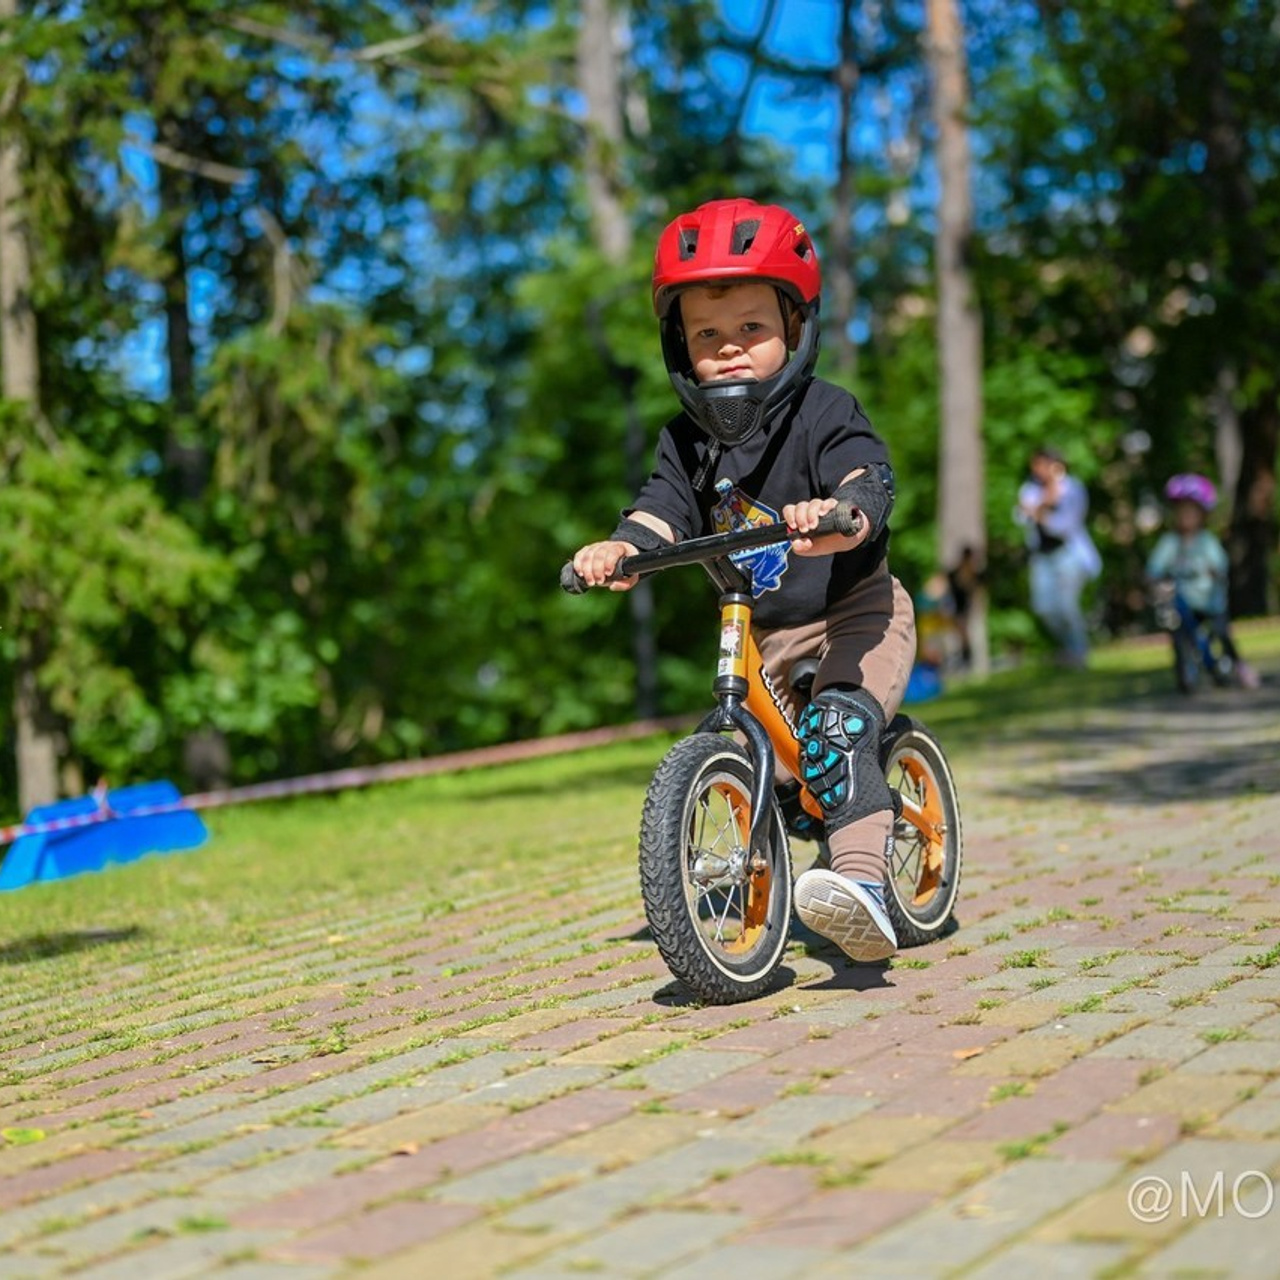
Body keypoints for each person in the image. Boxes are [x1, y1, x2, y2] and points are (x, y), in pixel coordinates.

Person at [571, 197, 916, 965]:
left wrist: (844, 509)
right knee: (766, 748)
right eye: (707, 335)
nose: (729, 350)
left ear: (794, 330)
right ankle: (766, 858)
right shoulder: (684, 442)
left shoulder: (824, 411)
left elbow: (868, 476)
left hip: (854, 611)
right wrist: (620, 549)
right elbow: (658, 512)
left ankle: (860, 882)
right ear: (679, 346)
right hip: (760, 629)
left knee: (836, 735)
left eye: (751, 330)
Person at [1145, 473, 1260, 690]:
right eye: (1181, 511)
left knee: (1221, 633)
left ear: (1202, 514)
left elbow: (1220, 565)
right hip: (1184, 602)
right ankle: (1187, 671)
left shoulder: (1207, 542)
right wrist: (1155, 580)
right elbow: (1154, 568)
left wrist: (1215, 573)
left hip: (1210, 601)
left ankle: (1239, 665)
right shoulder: (1170, 543)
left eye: (1191, 511)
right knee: (1179, 634)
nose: (1186, 516)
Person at [1014, 447, 1101, 668]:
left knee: (1067, 605)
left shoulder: (1073, 489)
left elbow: (1066, 526)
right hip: (1041, 557)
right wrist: (1044, 504)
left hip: (1068, 554)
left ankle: (1080, 654)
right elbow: (1020, 517)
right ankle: (1068, 648)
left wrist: (1040, 511)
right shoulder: (1031, 489)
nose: (1038, 470)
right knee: (1044, 608)